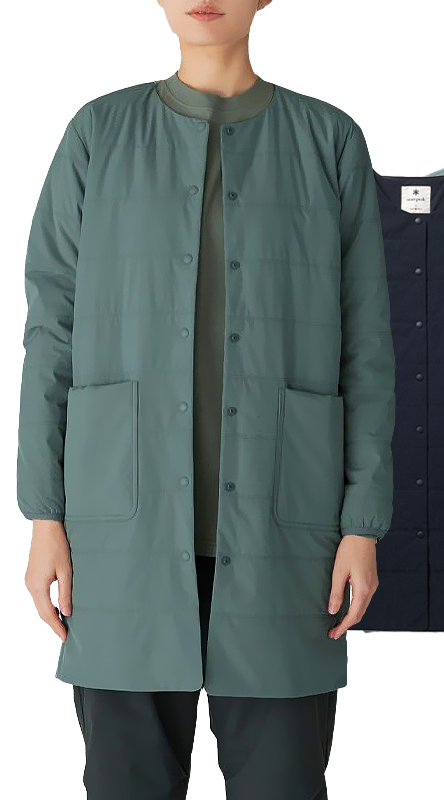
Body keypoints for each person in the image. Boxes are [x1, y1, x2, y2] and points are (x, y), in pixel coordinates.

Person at [17, 2, 395, 798]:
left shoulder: (329, 140)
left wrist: (363, 524)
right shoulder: (98, 134)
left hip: (289, 530)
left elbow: (367, 346)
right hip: (118, 533)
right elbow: (51, 332)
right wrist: (43, 516)